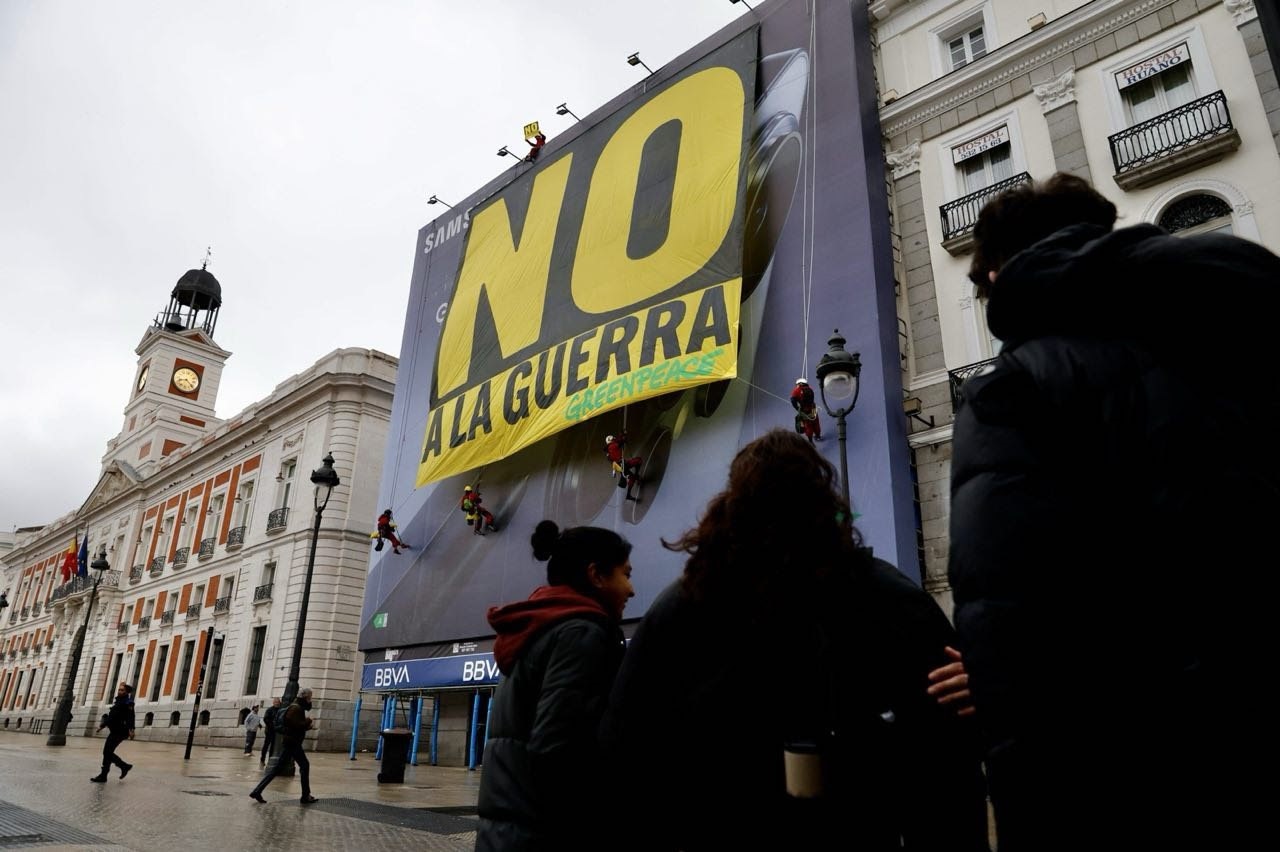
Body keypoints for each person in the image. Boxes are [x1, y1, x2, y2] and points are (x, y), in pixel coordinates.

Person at [950, 172, 1280, 850]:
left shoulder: (1018, 387)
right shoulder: (1241, 322)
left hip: (1135, 773)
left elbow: (1017, 622)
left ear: (995, 270)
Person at [602, 430, 988, 850]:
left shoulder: (682, 609)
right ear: (825, 504)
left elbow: (624, 753)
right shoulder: (886, 598)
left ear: (732, 508)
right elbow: (948, 766)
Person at [476, 520, 635, 851]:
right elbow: (560, 750)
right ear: (596, 575)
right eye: (626, 574)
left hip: (511, 835)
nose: (631, 589)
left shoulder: (539, 630)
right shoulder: (581, 634)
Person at [250, 688, 318, 805]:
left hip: (291, 742)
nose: (310, 700)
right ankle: (305, 796)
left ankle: (257, 791)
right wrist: (308, 721)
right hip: (293, 743)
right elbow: (295, 724)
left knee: (277, 769)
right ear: (306, 697)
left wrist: (307, 726)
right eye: (310, 697)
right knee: (305, 765)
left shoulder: (297, 707)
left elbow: (295, 726)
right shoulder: (295, 708)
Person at [91, 682, 135, 783]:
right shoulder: (118, 701)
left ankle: (120, 768)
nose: (119, 691)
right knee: (107, 752)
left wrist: (131, 730)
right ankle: (121, 767)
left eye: (122, 690)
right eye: (119, 689)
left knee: (107, 752)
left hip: (121, 731)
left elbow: (131, 717)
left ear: (127, 692)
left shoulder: (128, 703)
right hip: (115, 730)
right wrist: (102, 726)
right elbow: (111, 717)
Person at [789, 378, 821, 443]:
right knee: (815, 422)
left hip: (805, 410)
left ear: (800, 383)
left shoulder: (797, 390)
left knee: (808, 425)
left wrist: (797, 408)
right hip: (813, 408)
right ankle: (818, 436)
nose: (796, 385)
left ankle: (810, 441)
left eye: (797, 384)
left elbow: (792, 400)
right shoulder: (810, 389)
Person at [259, 697, 282, 766]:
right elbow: (266, 719)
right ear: (273, 703)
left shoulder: (280, 709)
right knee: (266, 745)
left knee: (273, 746)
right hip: (269, 731)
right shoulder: (270, 710)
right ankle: (262, 759)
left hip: (276, 731)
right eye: (276, 702)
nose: (277, 703)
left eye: (278, 702)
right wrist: (272, 726)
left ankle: (270, 759)